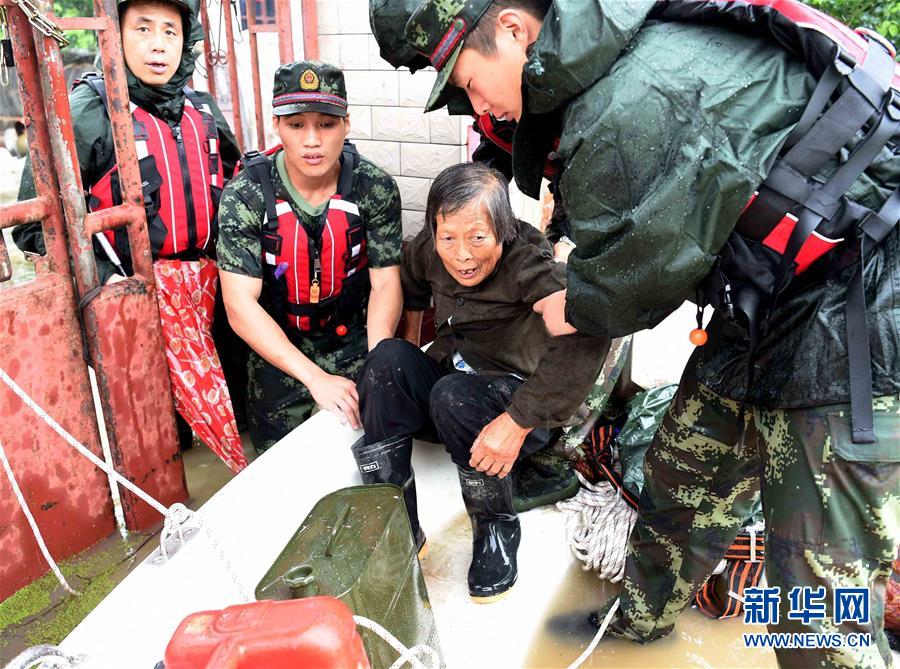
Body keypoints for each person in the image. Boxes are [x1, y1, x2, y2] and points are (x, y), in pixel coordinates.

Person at [388, 0, 899, 666]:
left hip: (859, 312)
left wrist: (576, 302)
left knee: (818, 602)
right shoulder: (596, 76)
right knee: (680, 478)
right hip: (759, 307)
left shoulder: (628, 96)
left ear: (514, 29)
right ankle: (639, 622)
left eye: (469, 81)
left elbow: (635, 282)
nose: (478, 104)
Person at [355, 161, 609, 601]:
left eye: (477, 238)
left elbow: (589, 332)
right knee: (384, 360)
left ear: (503, 231)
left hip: (515, 412)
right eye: (448, 238)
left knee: (451, 394)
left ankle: (495, 527)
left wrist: (517, 422)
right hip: (451, 393)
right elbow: (411, 285)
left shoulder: (528, 263)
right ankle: (398, 524)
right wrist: (410, 345)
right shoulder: (429, 250)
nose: (462, 255)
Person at [15, 0, 248, 471]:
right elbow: (35, 225)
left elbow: (238, 186)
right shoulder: (90, 110)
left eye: (170, 31)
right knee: (162, 444)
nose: (158, 45)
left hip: (217, 296)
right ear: (114, 35)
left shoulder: (202, 109)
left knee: (237, 416)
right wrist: (107, 278)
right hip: (137, 300)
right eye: (142, 29)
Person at [216, 60, 404, 454]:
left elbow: (385, 282)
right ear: (277, 125)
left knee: (371, 454)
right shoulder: (245, 195)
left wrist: (378, 362)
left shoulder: (374, 187)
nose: (312, 140)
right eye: (297, 124)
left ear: (347, 124)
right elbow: (239, 305)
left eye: (327, 124)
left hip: (353, 341)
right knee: (280, 466)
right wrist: (314, 378)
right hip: (278, 351)